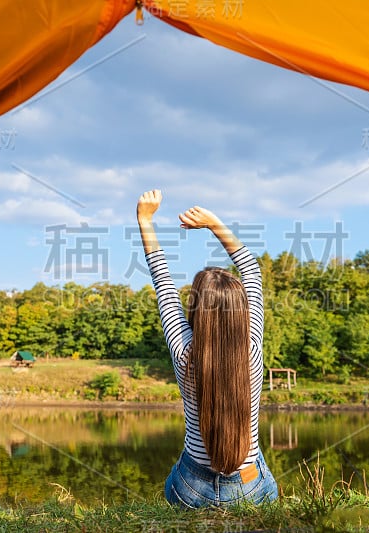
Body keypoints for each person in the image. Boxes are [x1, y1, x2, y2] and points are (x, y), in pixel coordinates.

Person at [136, 189, 279, 508]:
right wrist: (215, 224)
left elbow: (162, 279)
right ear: (242, 311)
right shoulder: (251, 351)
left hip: (191, 489)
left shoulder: (183, 352)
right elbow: (252, 271)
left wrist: (145, 219)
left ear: (196, 312)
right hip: (250, 488)